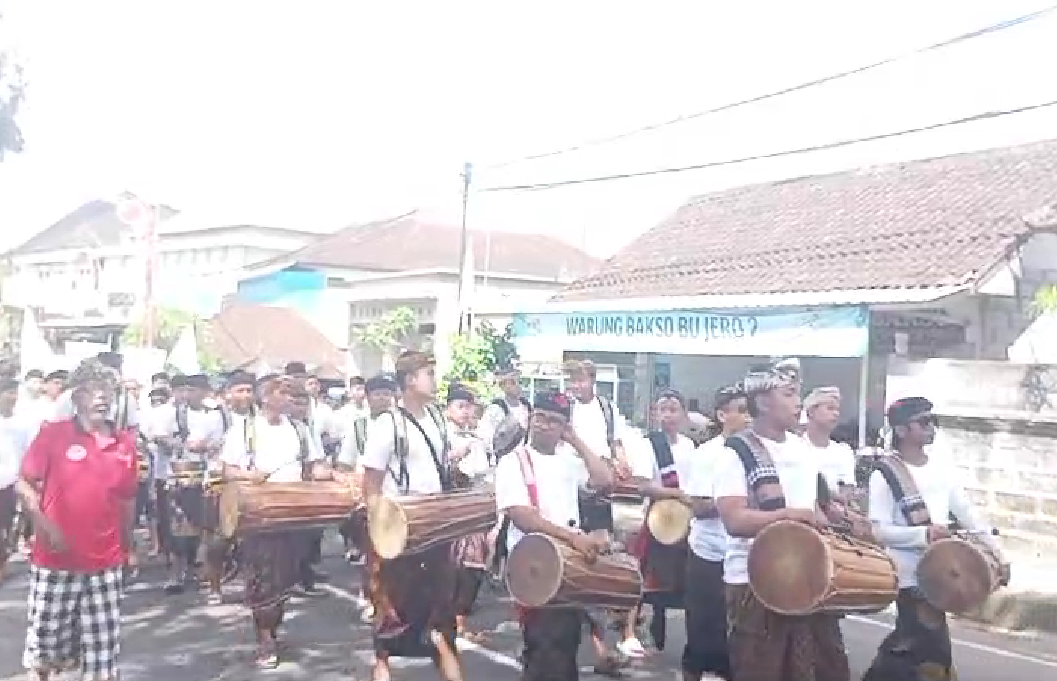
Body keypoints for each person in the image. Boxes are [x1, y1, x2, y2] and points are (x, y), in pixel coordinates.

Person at [714, 361, 851, 681]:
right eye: (788, 394)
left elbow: (814, 510)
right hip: (754, 583)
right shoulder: (736, 452)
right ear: (762, 402)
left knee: (820, 671)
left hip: (808, 579)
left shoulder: (804, 450)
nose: (797, 402)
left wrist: (836, 523)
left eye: (798, 394)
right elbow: (733, 520)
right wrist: (788, 516)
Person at [862, 397, 1008, 681]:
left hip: (943, 575)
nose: (932, 428)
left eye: (934, 421)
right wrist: (923, 534)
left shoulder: (941, 468)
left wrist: (997, 552)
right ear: (902, 430)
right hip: (909, 577)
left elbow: (968, 514)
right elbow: (877, 530)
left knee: (915, 646)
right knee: (927, 648)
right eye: (924, 422)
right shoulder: (885, 473)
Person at [220, 374, 353, 669]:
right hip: (260, 515)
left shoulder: (301, 429)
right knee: (262, 577)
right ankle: (265, 637)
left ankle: (273, 627)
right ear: (266, 397)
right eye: (282, 393)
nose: (288, 399)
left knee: (285, 577)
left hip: (295, 514)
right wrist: (248, 475)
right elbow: (228, 470)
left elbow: (313, 466)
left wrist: (334, 474)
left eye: (291, 394)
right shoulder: (245, 429)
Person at [17, 358, 138, 681]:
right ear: (77, 397)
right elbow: (24, 481)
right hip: (55, 560)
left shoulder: (124, 443)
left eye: (107, 391)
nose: (101, 397)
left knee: (102, 652)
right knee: (45, 647)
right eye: (93, 390)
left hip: (106, 562)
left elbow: (127, 499)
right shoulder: (53, 434)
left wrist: (129, 548)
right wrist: (45, 527)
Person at [494, 390, 615, 681]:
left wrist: (575, 440)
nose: (544, 425)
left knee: (565, 642)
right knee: (545, 645)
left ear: (564, 427)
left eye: (554, 421)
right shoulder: (514, 461)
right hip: (533, 567)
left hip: (567, 564)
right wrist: (573, 538)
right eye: (540, 417)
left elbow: (604, 481)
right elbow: (522, 517)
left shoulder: (567, 460)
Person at [360, 350, 462, 681]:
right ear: (409, 380)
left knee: (439, 611)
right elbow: (372, 484)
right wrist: (379, 536)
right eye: (428, 373)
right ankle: (382, 669)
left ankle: (446, 663)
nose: (434, 379)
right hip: (399, 530)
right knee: (392, 610)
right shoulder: (386, 424)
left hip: (435, 526)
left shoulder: (437, 419)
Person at [621, 389, 695, 657]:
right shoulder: (647, 444)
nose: (668, 415)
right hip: (658, 516)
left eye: (673, 409)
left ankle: (688, 635)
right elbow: (642, 485)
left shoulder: (689, 446)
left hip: (686, 517)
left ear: (683, 414)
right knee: (641, 576)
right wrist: (674, 493)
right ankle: (628, 632)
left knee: (684, 576)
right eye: (662, 410)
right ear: (654, 414)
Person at [680, 384, 745, 681]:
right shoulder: (708, 453)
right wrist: (735, 505)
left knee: (741, 638)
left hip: (746, 557)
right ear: (722, 414)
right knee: (704, 633)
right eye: (741, 411)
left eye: (751, 411)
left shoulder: (761, 451)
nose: (749, 418)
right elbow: (697, 506)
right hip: (710, 552)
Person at [444, 383, 490, 642]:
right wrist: (454, 457)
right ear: (448, 408)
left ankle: (460, 621)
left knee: (474, 566)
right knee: (452, 566)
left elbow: (483, 475)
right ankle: (450, 620)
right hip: (450, 508)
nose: (465, 412)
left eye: (468, 407)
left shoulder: (476, 439)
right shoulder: (440, 435)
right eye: (460, 406)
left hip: (475, 507)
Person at [337, 373, 396, 567]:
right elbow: (345, 461)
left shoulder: (401, 423)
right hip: (365, 489)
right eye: (378, 394)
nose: (383, 398)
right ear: (368, 397)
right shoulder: (359, 425)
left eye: (387, 394)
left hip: (395, 492)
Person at [1, 377, 35, 582]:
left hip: (13, 482)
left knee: (8, 525)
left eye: (15, 393)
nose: (12, 397)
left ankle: (3, 560)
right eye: (8, 392)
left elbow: (29, 451)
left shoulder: (22, 422)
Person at [802, 387, 857, 501]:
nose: (836, 413)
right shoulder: (795, 447)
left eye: (837, 409)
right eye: (830, 408)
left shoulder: (843, 451)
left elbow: (848, 491)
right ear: (811, 412)